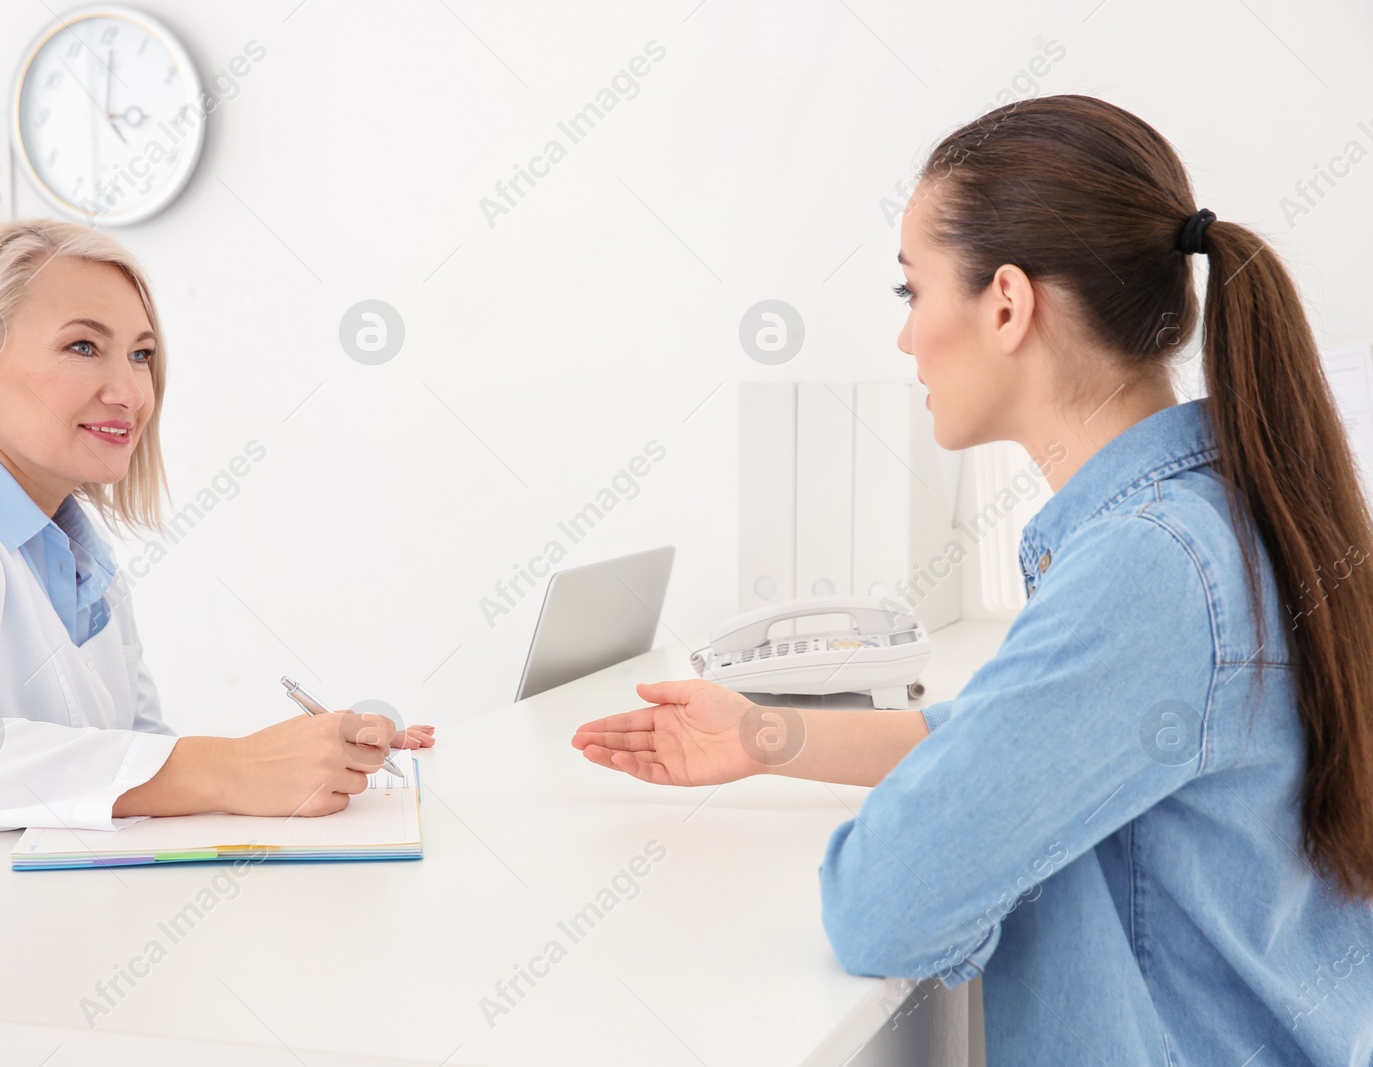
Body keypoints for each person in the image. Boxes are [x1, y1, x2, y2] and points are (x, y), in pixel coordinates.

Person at [572, 95, 1373, 1064]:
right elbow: (1037, 735)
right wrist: (764, 733)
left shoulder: (1147, 566)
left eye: (910, 292)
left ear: (1004, 303)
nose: (906, 339)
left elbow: (884, 904)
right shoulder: (1211, 515)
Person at [0, 218, 433, 832]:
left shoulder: (80, 560)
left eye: (141, 354)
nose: (130, 392)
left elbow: (137, 770)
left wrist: (311, 759)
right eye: (83, 346)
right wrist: (230, 770)